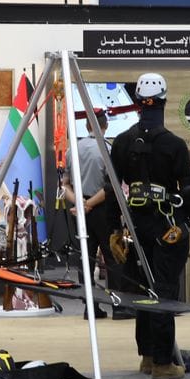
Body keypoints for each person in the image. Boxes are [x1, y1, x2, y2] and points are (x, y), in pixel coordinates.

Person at [106, 73, 190, 379]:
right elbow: (188, 192)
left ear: (138, 102)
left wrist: (114, 230)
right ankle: (163, 363)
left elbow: (112, 190)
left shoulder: (122, 142)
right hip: (167, 227)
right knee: (163, 291)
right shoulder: (174, 145)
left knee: (144, 291)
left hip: (136, 228)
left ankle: (148, 356)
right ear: (164, 101)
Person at [64, 108, 122, 313]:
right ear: (105, 126)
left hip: (79, 210)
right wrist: (90, 204)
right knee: (112, 257)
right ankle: (118, 306)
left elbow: (65, 185)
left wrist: (81, 203)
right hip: (103, 209)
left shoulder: (72, 149)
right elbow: (111, 187)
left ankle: (90, 307)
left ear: (87, 125)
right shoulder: (107, 149)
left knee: (86, 258)